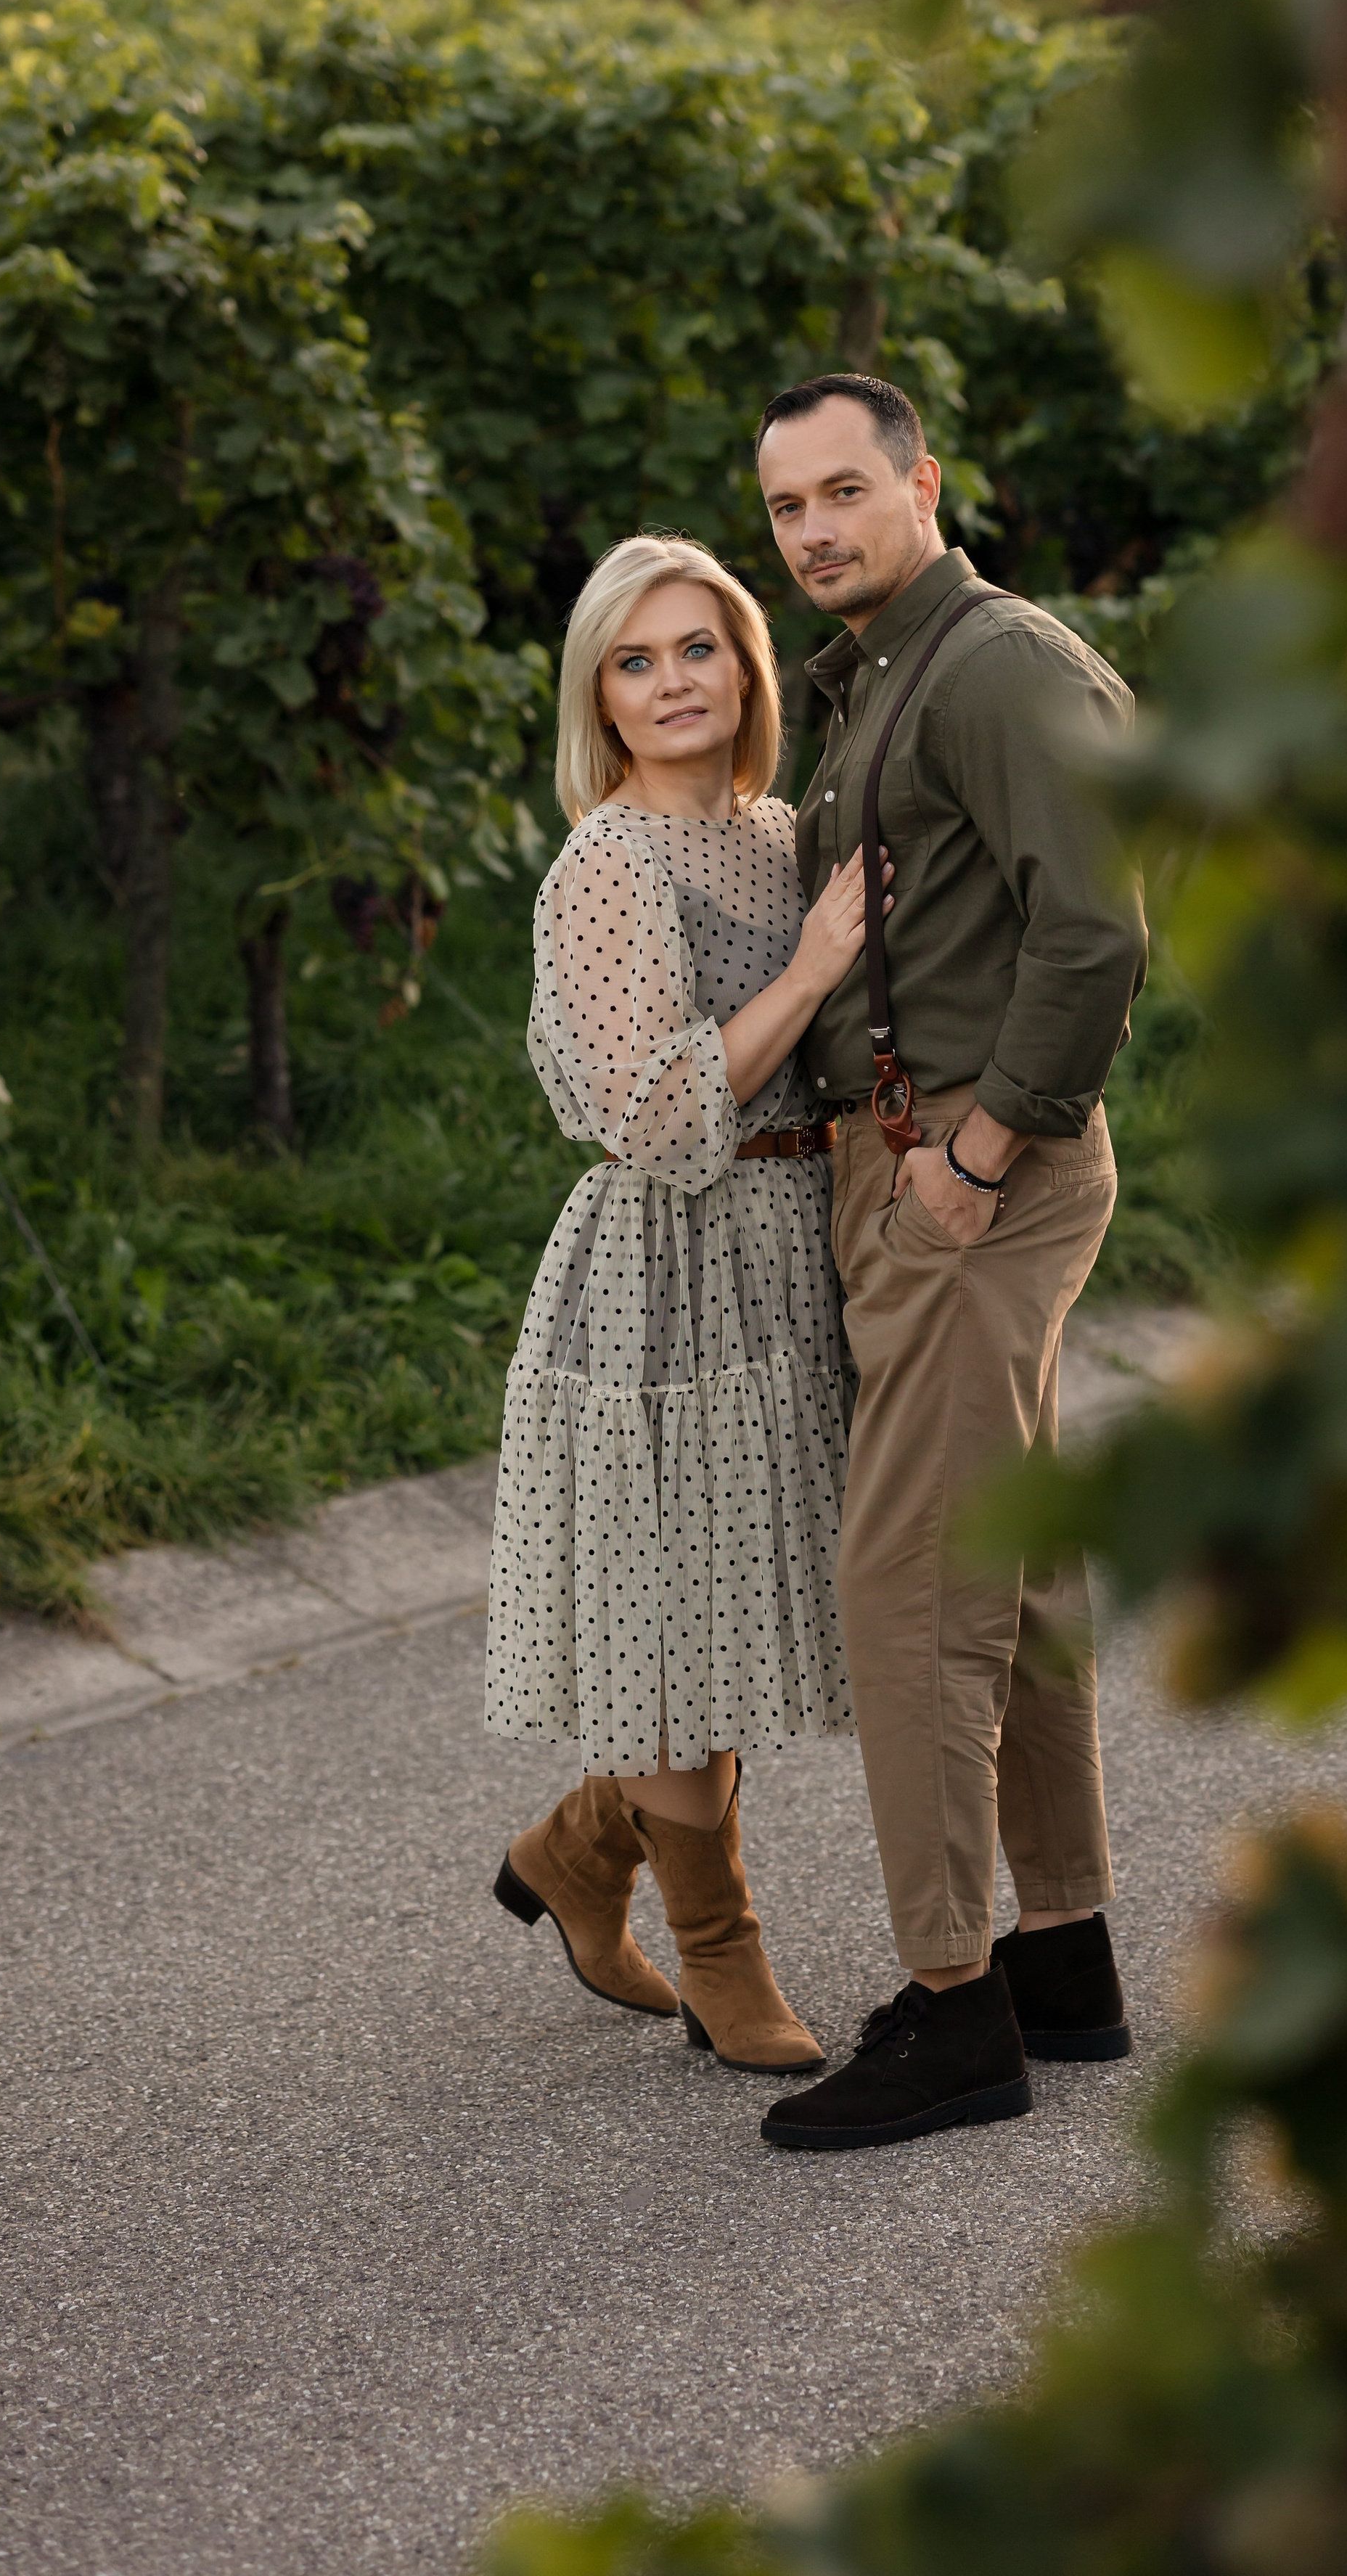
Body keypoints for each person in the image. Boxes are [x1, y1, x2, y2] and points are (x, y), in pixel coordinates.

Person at [750, 373, 1149, 2153]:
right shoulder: (883, 676)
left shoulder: (990, 664)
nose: (812, 530)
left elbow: (1096, 926)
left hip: (968, 1178)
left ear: (923, 483)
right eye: (786, 507)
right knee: (1014, 1569)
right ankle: (1058, 1962)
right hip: (928, 1168)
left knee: (908, 1591)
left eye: (844, 490)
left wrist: (979, 1158)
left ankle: (949, 2008)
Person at [484, 530, 889, 2076]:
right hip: (666, 1266)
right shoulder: (607, 863)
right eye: (634, 661)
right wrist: (813, 968)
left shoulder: (783, 832)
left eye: (697, 648)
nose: (670, 683)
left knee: (740, 1601)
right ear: (599, 696)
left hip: (797, 1243)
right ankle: (721, 1950)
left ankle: (583, 1851)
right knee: (673, 1616)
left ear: (745, 666)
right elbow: (655, 1117)